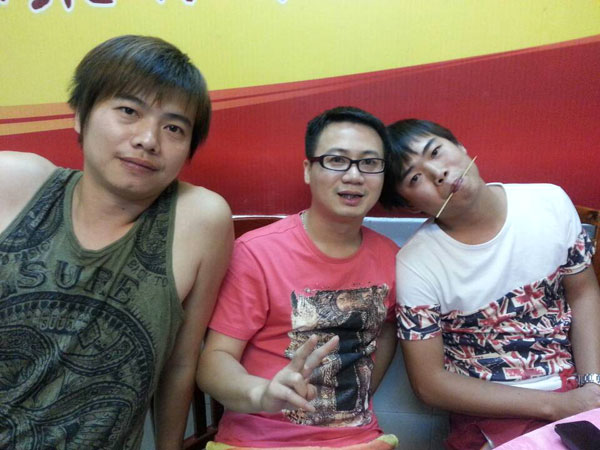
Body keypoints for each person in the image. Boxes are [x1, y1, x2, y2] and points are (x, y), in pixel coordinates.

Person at [0, 35, 233, 450]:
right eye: (129, 111)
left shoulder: (200, 220)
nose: (148, 139)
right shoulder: (14, 182)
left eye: (174, 127)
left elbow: (180, 364)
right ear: (81, 115)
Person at [380, 119, 600, 449]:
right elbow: (429, 384)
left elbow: (583, 293)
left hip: (575, 386)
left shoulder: (549, 202)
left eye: (436, 152)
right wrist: (557, 406)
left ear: (460, 147)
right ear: (410, 204)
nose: (438, 173)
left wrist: (592, 385)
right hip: (491, 413)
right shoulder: (416, 263)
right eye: (415, 178)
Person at [197, 106, 399, 449]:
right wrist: (262, 393)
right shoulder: (257, 253)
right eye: (337, 160)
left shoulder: (391, 257)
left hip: (359, 441)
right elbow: (214, 362)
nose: (354, 175)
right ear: (308, 170)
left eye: (369, 163)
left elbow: (387, 329)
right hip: (259, 442)